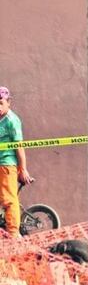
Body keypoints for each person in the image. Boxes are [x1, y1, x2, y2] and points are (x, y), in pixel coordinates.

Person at [0, 87, 32, 236]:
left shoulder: (12, 121)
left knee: (8, 199)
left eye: (1, 103)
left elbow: (19, 147)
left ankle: (13, 233)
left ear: (8, 102)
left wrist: (23, 169)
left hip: (6, 164)